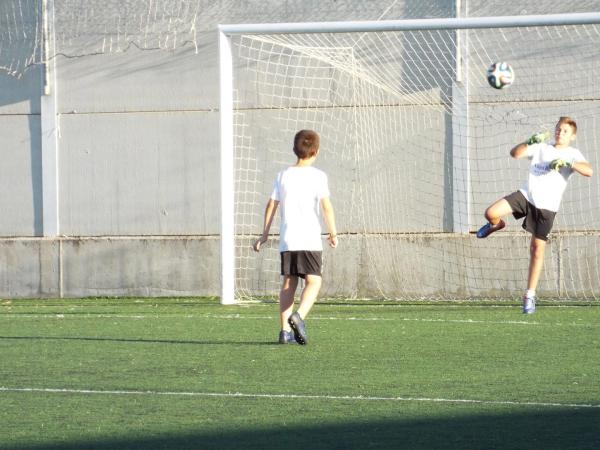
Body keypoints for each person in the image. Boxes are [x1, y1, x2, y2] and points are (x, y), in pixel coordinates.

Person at [476, 117, 593, 313]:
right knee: (491, 213)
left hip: (547, 207)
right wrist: (529, 142)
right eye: (558, 129)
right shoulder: (542, 148)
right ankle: (496, 225)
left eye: (565, 131)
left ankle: (529, 295)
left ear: (572, 136)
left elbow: (588, 171)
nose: (560, 133)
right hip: (525, 196)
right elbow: (515, 154)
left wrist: (569, 162)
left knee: (537, 250)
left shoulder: (573, 153)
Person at [253, 129, 338, 344]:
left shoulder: (283, 176)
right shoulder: (319, 176)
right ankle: (298, 316)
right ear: (316, 151)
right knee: (314, 281)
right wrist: (333, 232)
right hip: (309, 238)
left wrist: (264, 235)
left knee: (289, 282)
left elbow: (271, 204)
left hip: (288, 238)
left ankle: (284, 332)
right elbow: (326, 206)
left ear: (294, 149)